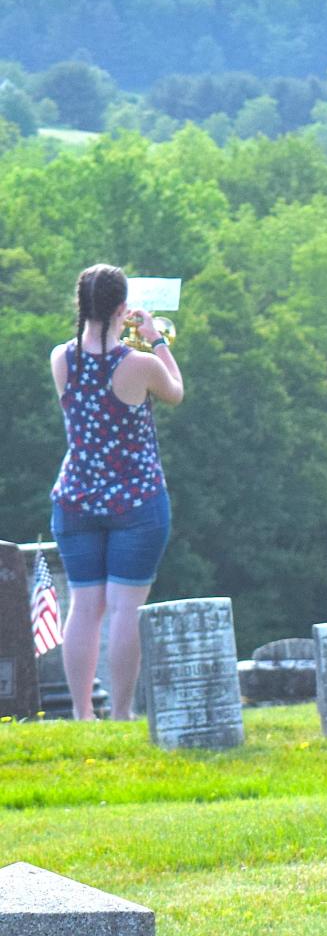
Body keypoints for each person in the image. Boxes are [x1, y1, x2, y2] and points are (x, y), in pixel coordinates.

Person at [50, 264, 183, 721]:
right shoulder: (140, 363)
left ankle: (83, 713)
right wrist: (157, 338)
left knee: (84, 606)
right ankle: (122, 713)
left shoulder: (60, 358)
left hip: (76, 498)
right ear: (122, 307)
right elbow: (175, 392)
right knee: (126, 607)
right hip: (137, 499)